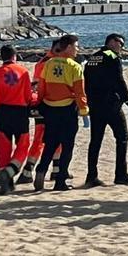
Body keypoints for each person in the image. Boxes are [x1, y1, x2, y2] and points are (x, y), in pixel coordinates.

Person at [34, 34, 89, 191]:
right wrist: (84, 111)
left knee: (50, 144)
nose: (78, 49)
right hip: (67, 109)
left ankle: (41, 170)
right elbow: (80, 92)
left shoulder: (49, 63)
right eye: (76, 46)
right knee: (67, 146)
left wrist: (40, 102)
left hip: (50, 109)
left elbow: (42, 86)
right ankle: (60, 181)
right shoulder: (75, 67)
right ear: (69, 47)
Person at [84, 33, 128, 186]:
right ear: (112, 42)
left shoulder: (93, 58)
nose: (121, 47)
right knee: (122, 137)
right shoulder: (112, 57)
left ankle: (91, 176)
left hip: (95, 105)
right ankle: (120, 174)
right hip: (111, 105)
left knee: (95, 141)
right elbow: (119, 81)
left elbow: (86, 82)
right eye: (120, 43)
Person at [0, 45, 35, 195]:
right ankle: (10, 171)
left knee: (4, 147)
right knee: (23, 144)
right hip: (19, 111)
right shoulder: (23, 72)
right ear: (15, 56)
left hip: (2, 112)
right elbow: (28, 96)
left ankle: (6, 183)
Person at [23, 41, 64, 185]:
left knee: (40, 138)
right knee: (51, 137)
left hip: (39, 104)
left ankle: (31, 170)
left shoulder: (41, 62)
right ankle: (54, 169)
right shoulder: (53, 63)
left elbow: (35, 85)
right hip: (51, 105)